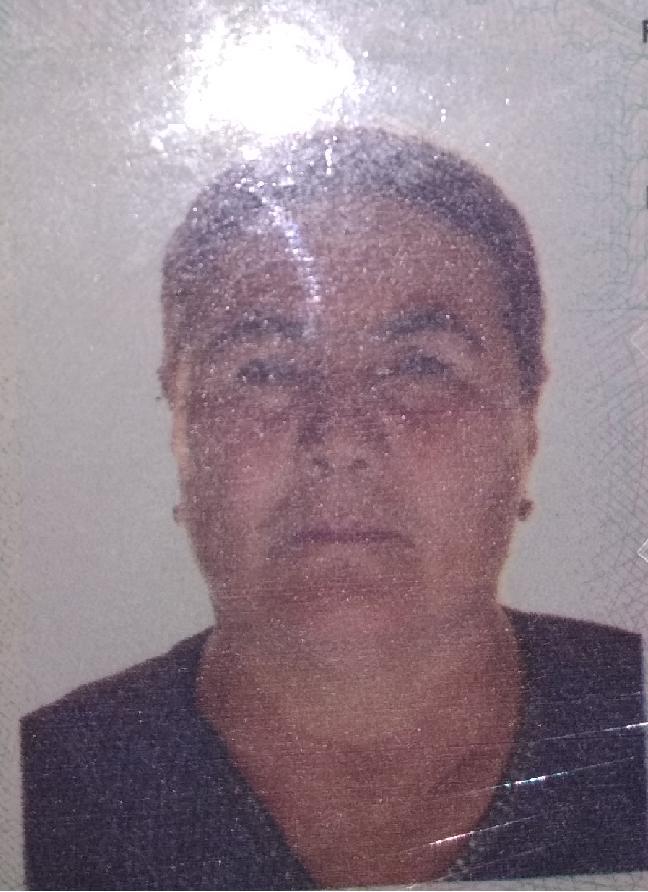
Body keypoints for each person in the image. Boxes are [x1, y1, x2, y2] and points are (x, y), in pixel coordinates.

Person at [22, 127, 647, 890]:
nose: (340, 438)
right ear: (181, 424)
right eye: (264, 369)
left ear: (526, 421)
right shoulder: (45, 788)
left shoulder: (635, 722)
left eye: (420, 365)